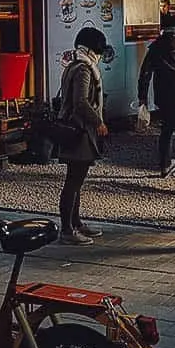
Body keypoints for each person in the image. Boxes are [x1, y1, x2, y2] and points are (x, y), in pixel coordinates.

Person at [56, 27, 109, 245]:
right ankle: (68, 229)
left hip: (74, 128)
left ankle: (75, 222)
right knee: (74, 180)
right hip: (80, 130)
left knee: (76, 179)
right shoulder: (84, 70)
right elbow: (80, 102)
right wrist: (98, 122)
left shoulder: (73, 65)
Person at [137, 12, 175, 191]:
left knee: (167, 130)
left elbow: (145, 74)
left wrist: (142, 98)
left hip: (163, 98)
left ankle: (165, 165)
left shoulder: (156, 47)